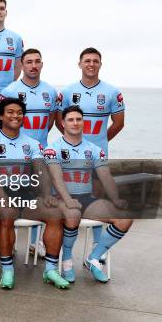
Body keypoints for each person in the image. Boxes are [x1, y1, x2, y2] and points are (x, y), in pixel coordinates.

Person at [0, 98, 70, 289]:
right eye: (10, 112)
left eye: (19, 112)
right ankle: (8, 269)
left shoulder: (33, 143)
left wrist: (46, 194)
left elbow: (40, 171)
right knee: (6, 214)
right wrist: (4, 199)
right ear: (1, 116)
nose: (15, 116)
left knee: (54, 214)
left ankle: (51, 270)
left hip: (25, 195)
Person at [45, 105, 132, 283]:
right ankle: (67, 263)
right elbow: (56, 178)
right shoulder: (52, 149)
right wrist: (68, 200)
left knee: (125, 218)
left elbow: (105, 177)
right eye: (70, 119)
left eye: (79, 119)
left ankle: (93, 258)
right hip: (62, 199)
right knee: (72, 214)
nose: (75, 123)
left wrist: (116, 199)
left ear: (83, 122)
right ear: (62, 123)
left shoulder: (94, 149)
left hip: (86, 198)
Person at [56, 47, 125, 244]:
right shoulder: (68, 91)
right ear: (79, 64)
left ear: (101, 64)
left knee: (97, 196)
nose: (91, 64)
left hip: (97, 155)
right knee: (67, 197)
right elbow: (58, 121)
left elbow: (119, 123)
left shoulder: (112, 92)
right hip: (70, 155)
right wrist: (73, 144)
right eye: (87, 61)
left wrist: (98, 144)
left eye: (95, 61)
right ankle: (62, 243)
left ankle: (96, 241)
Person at [0, 48, 59, 254]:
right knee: (11, 195)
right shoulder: (9, 90)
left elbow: (50, 120)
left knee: (42, 195)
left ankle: (36, 242)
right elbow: (4, 124)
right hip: (15, 155)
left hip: (39, 152)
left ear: (42, 64)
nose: (33, 65)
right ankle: (9, 244)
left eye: (37, 61)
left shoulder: (51, 92)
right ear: (22, 65)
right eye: (29, 62)